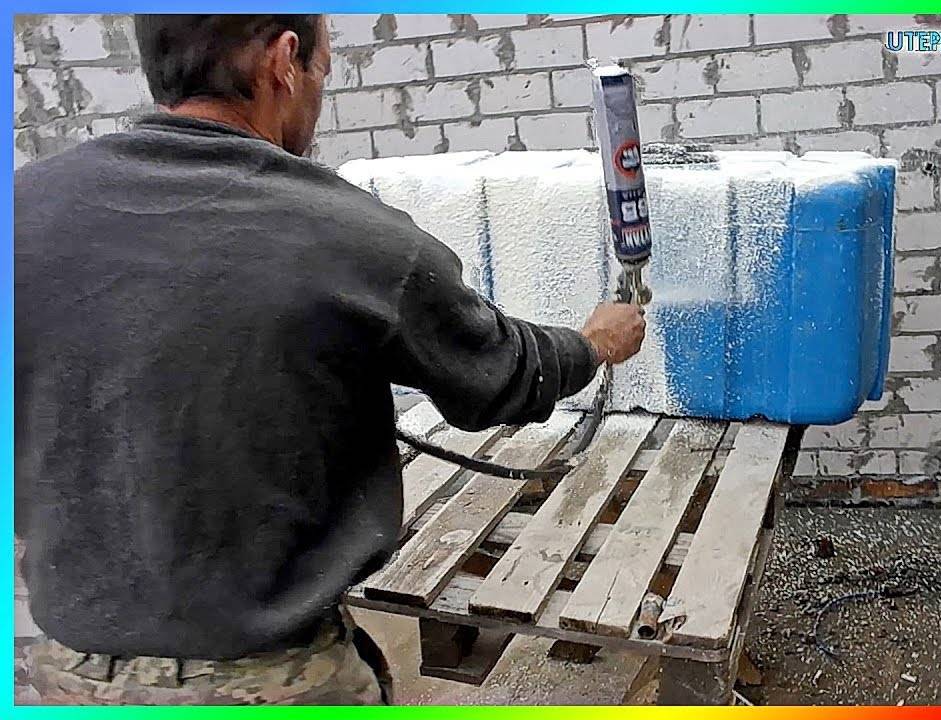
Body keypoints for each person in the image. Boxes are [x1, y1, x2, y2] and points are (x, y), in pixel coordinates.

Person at [14, 14, 645, 705]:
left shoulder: (24, 212)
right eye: (322, 70)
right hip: (271, 683)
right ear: (284, 62)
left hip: (65, 676)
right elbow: (501, 376)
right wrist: (593, 343)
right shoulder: (350, 236)